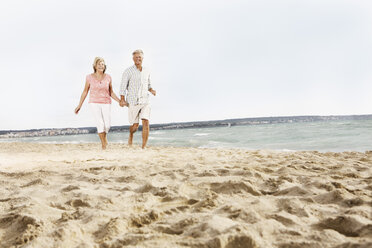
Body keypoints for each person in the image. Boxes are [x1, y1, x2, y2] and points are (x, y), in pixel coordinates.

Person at [75, 57, 121, 149]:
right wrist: (79, 105)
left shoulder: (108, 77)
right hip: (94, 102)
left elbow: (111, 92)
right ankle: (104, 144)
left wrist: (119, 101)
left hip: (106, 102)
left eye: (102, 64)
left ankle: (105, 140)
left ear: (105, 66)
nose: (101, 66)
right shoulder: (89, 77)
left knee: (107, 125)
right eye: (99, 64)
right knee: (100, 124)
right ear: (95, 66)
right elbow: (85, 92)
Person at [119, 49, 156, 149]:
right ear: (133, 58)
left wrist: (152, 90)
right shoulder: (128, 71)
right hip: (133, 101)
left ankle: (143, 147)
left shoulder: (147, 71)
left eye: (140, 57)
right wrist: (122, 99)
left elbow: (148, 85)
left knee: (146, 122)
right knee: (134, 126)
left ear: (143, 58)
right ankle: (131, 134)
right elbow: (123, 86)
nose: (138, 59)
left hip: (145, 101)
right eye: (136, 57)